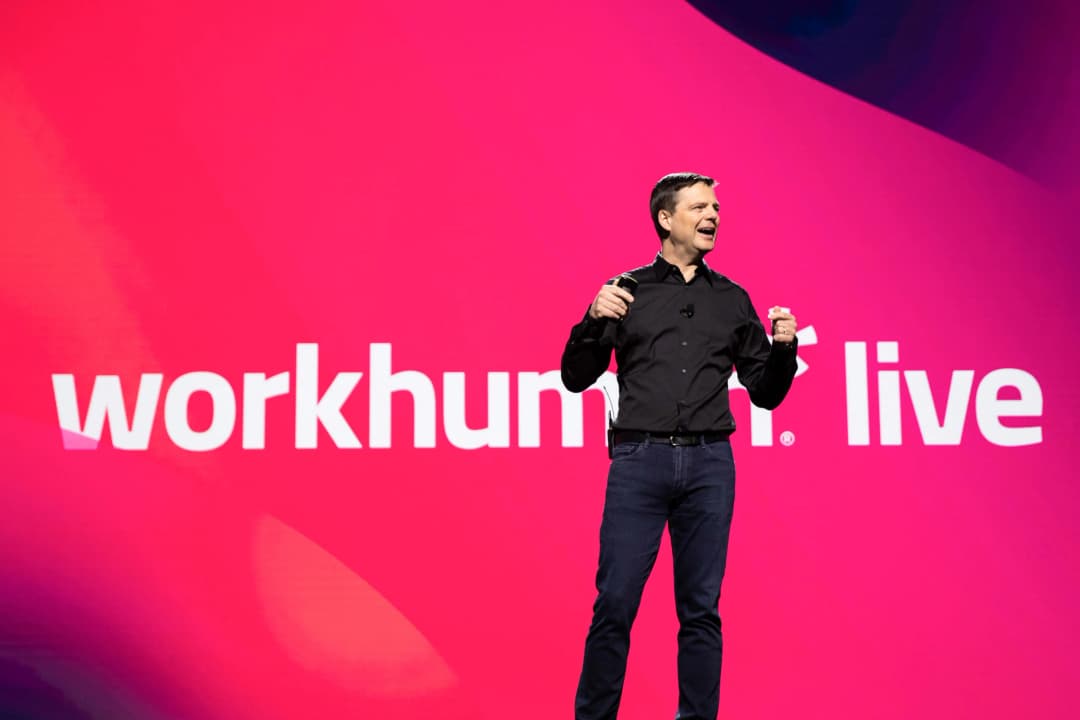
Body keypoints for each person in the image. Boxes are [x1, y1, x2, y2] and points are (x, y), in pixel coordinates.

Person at [561, 172, 799, 720]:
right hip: (639, 462)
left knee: (701, 611)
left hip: (710, 464)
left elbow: (765, 393)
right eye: (698, 207)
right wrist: (592, 321)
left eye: (715, 207)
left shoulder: (733, 299)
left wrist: (784, 348)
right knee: (615, 602)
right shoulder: (626, 290)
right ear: (666, 219)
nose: (712, 215)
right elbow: (576, 376)